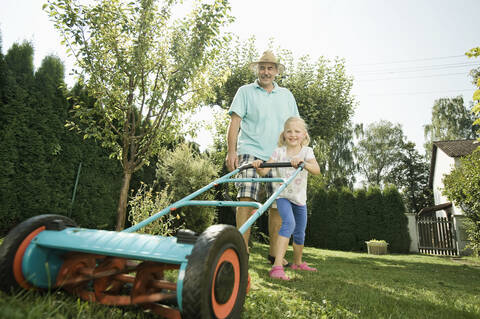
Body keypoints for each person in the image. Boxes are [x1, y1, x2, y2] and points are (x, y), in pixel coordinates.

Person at [226, 50, 299, 266]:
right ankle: (241, 252)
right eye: (262, 67)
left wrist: (299, 153)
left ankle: (275, 255)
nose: (265, 72)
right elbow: (235, 123)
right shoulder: (245, 92)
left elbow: (295, 126)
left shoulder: (287, 95)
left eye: (270, 68)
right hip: (249, 150)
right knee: (246, 200)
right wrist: (231, 151)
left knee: (278, 205)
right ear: (257, 69)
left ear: (276, 71)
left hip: (279, 155)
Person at [252, 116, 320, 280]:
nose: (293, 134)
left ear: (304, 134)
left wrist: (303, 162)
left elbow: (316, 169)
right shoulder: (278, 152)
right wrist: (259, 166)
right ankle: (277, 266)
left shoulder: (306, 151)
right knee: (288, 223)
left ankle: (297, 262)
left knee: (300, 232)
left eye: (297, 131)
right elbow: (264, 172)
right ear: (284, 134)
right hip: (282, 196)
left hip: (299, 198)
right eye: (289, 131)